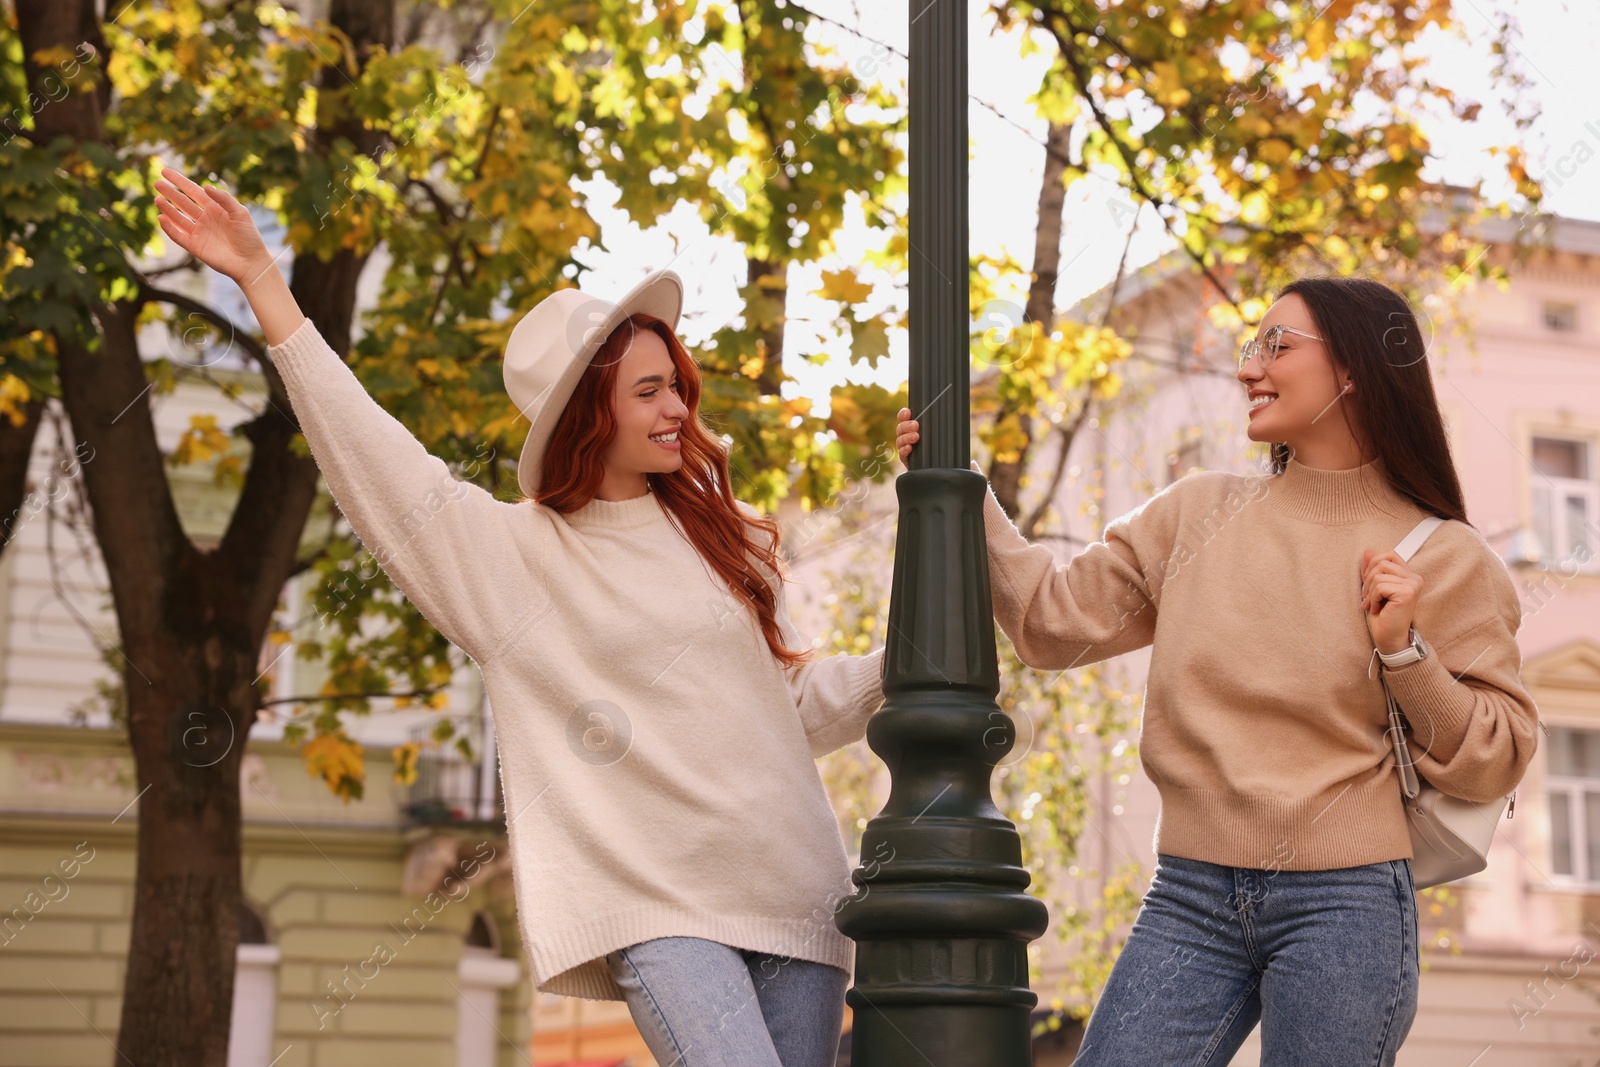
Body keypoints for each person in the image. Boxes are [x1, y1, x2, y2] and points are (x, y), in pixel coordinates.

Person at [154, 166, 885, 1067]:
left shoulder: (714, 534)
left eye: (675, 382)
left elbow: (787, 707)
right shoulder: (512, 557)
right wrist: (265, 283)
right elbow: (376, 459)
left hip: (798, 898)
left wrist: (916, 656)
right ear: (591, 413)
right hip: (658, 905)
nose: (677, 406)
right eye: (648, 390)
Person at [895, 277, 1539, 1066]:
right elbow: (1050, 624)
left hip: (1347, 901)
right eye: (1250, 346)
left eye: (1277, 346)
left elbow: (1497, 756)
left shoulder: (1444, 555)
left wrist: (1406, 653)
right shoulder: (1196, 513)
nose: (1248, 369)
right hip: (1190, 893)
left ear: (1353, 372)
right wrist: (960, 486)